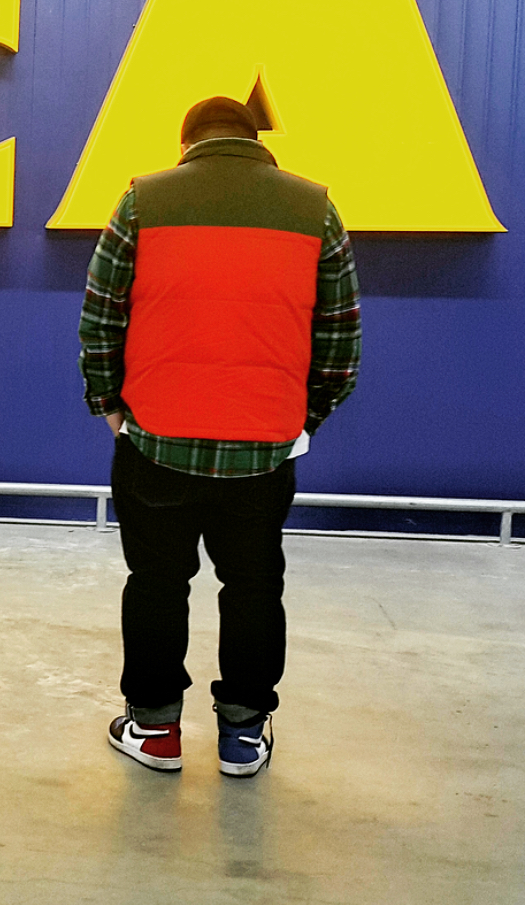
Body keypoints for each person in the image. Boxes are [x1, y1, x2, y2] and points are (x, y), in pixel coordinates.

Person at [78, 95, 361, 777]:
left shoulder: (141, 201)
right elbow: (340, 340)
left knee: (156, 582)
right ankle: (242, 735)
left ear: (187, 144)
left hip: (156, 440)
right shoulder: (316, 209)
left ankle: (155, 730)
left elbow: (100, 316)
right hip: (264, 446)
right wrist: (303, 420)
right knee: (254, 585)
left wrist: (110, 406)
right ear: (255, 140)